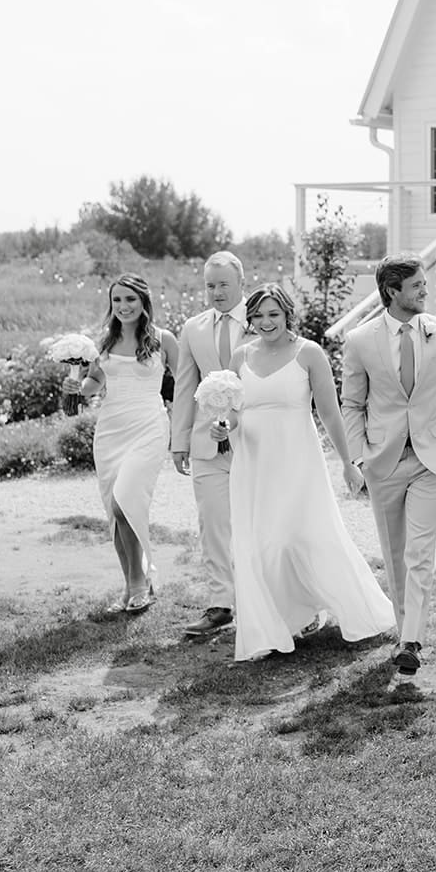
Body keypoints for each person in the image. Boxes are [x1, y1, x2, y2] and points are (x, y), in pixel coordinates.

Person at [217, 284, 395, 661]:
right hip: (253, 462)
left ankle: (347, 608)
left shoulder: (308, 353)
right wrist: (222, 426)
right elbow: (233, 412)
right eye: (259, 315)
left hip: (298, 459)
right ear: (249, 318)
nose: (266, 322)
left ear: (287, 314)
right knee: (260, 545)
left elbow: (329, 412)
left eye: (273, 314)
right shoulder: (240, 357)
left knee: (302, 535)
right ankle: (278, 622)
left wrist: (349, 462)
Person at [340, 255, 436, 678]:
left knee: (419, 553)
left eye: (423, 285)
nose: (424, 292)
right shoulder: (360, 340)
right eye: (416, 286)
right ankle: (403, 635)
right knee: (395, 555)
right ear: (392, 291)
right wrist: (360, 455)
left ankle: (411, 640)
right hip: (384, 460)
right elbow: (352, 403)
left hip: (431, 459)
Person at [65, 274, 178, 614]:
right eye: (117, 300)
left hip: (149, 427)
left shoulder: (163, 340)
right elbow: (96, 381)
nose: (123, 306)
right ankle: (132, 585)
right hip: (111, 430)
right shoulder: (104, 341)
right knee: (114, 511)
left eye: (130, 299)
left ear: (144, 302)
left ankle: (141, 582)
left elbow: (186, 381)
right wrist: (77, 388)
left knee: (123, 502)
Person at [170, 250, 247, 638]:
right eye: (210, 285)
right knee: (213, 523)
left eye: (223, 285)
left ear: (240, 285)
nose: (216, 292)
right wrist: (179, 439)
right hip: (205, 442)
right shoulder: (193, 328)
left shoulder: (263, 320)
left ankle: (264, 600)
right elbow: (185, 385)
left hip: (254, 440)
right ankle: (221, 604)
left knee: (259, 522)